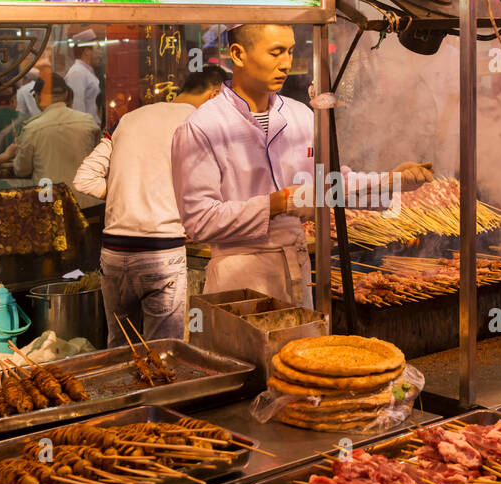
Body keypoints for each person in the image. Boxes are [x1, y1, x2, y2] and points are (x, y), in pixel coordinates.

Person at [171, 24, 433, 308]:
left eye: (290, 51)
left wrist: (391, 181)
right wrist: (276, 204)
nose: (286, 63)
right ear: (237, 54)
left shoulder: (300, 116)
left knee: (301, 350)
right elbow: (200, 221)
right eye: (276, 52)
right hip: (239, 279)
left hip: (296, 272)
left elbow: (330, 186)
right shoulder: (201, 127)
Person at [74, 68, 227, 343]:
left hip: (113, 255)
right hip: (161, 254)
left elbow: (84, 180)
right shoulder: (200, 124)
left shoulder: (128, 119)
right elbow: (212, 192)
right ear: (214, 94)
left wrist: (128, 196)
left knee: (120, 349)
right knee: (163, 353)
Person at [11, 75, 101, 203]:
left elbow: (21, 170)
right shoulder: (88, 121)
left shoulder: (33, 128)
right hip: (88, 202)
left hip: (51, 205)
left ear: (38, 96)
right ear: (65, 95)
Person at [65, 29, 103, 121]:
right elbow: (77, 109)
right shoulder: (77, 73)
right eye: (98, 48)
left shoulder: (86, 71)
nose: (101, 53)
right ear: (87, 51)